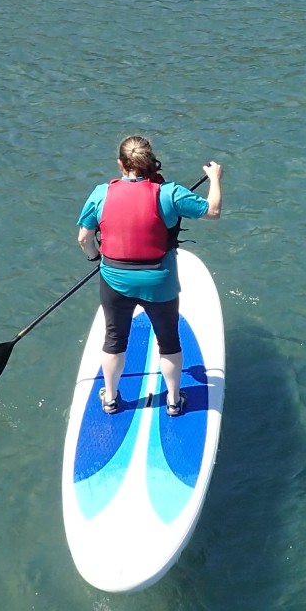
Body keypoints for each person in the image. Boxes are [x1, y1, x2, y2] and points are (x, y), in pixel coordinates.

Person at [77, 136, 223, 417]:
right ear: (150, 162)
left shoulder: (101, 193)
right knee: (168, 341)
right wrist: (214, 178)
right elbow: (213, 211)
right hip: (159, 281)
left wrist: (96, 258)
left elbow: (84, 238)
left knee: (114, 339)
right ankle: (173, 401)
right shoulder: (170, 193)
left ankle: (109, 398)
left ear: (121, 164)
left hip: (115, 280)